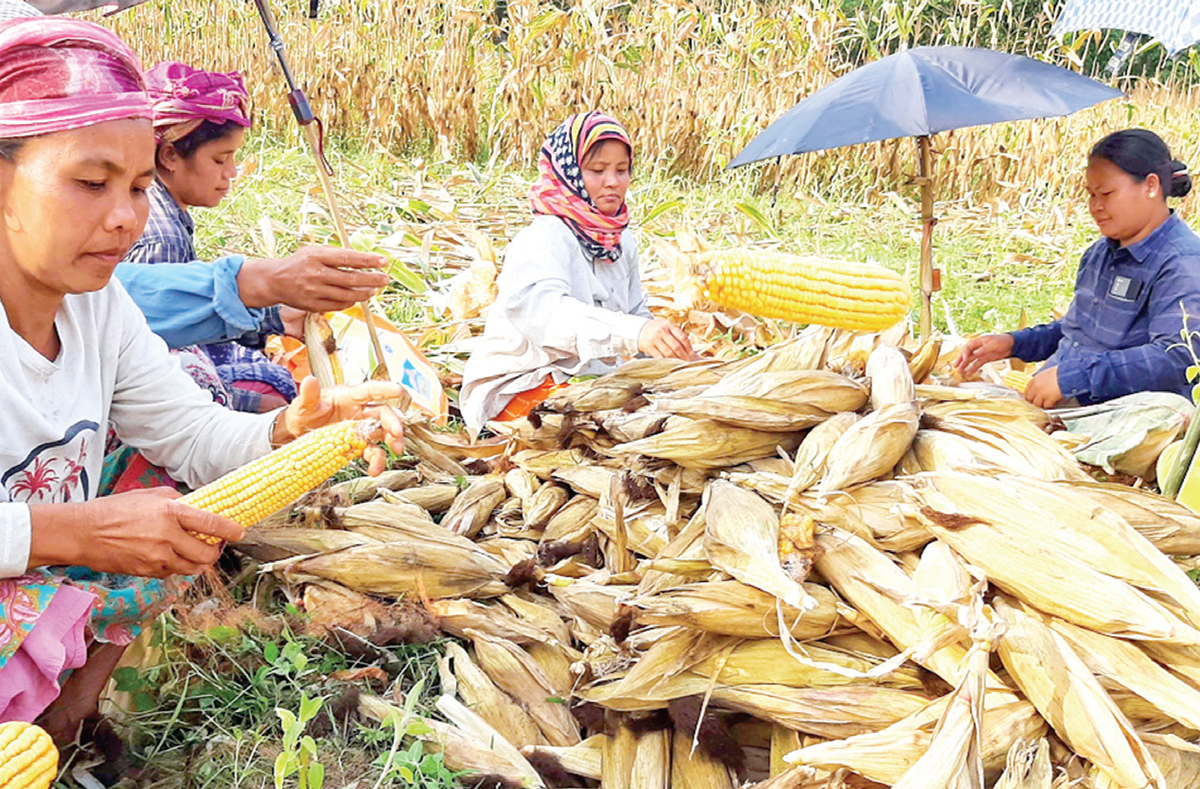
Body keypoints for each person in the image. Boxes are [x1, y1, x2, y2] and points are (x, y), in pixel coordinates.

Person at [0, 19, 405, 744]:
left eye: (139, 187)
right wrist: (72, 531)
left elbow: (190, 435)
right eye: (91, 183)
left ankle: (64, 714)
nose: (124, 219)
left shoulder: (99, 305)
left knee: (170, 488)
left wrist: (290, 432)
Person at [459, 111, 694, 432]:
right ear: (569, 174)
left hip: (592, 382)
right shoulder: (544, 236)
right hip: (521, 384)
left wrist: (672, 360)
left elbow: (636, 312)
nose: (612, 182)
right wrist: (633, 333)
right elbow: (547, 315)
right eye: (597, 170)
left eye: (622, 170)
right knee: (607, 428)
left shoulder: (621, 240)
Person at [955, 128, 1200, 408]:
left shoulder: (1183, 262)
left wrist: (1073, 377)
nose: (1096, 206)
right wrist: (1013, 343)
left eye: (1106, 193)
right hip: (1059, 402)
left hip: (1118, 417)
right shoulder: (1100, 254)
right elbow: (1079, 332)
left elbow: (1175, 357)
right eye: (1091, 195)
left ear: (1151, 186)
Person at [122, 61, 292, 413]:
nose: (231, 173)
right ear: (169, 155)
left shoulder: (166, 207)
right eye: (220, 159)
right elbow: (150, 354)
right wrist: (250, 403)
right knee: (273, 383)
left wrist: (272, 317)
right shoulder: (161, 239)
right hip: (152, 397)